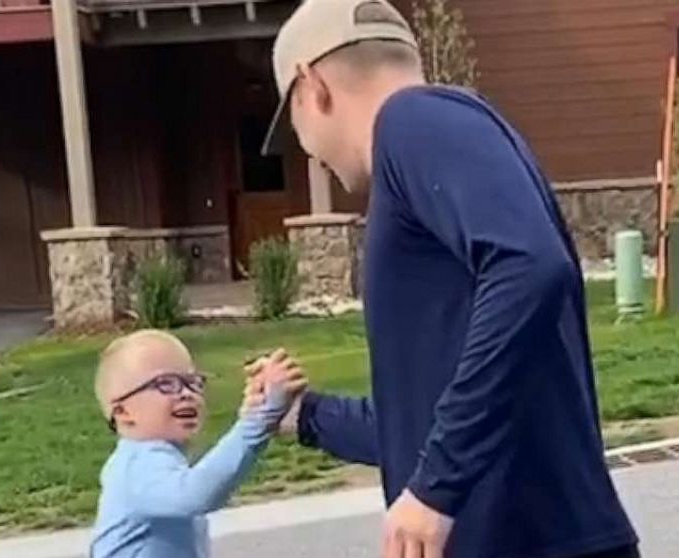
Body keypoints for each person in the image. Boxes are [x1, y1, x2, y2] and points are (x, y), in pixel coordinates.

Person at [248, 0, 640, 557]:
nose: (308, 154)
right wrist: (308, 417)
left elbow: (531, 266)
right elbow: (434, 414)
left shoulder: (414, 122)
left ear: (312, 85)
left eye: (295, 126)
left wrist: (436, 488)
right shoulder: (433, 139)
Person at [90, 330, 305, 558]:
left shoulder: (158, 459)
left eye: (193, 383)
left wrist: (256, 414)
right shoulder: (136, 465)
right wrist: (257, 422)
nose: (186, 393)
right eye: (165, 384)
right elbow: (196, 493)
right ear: (123, 412)